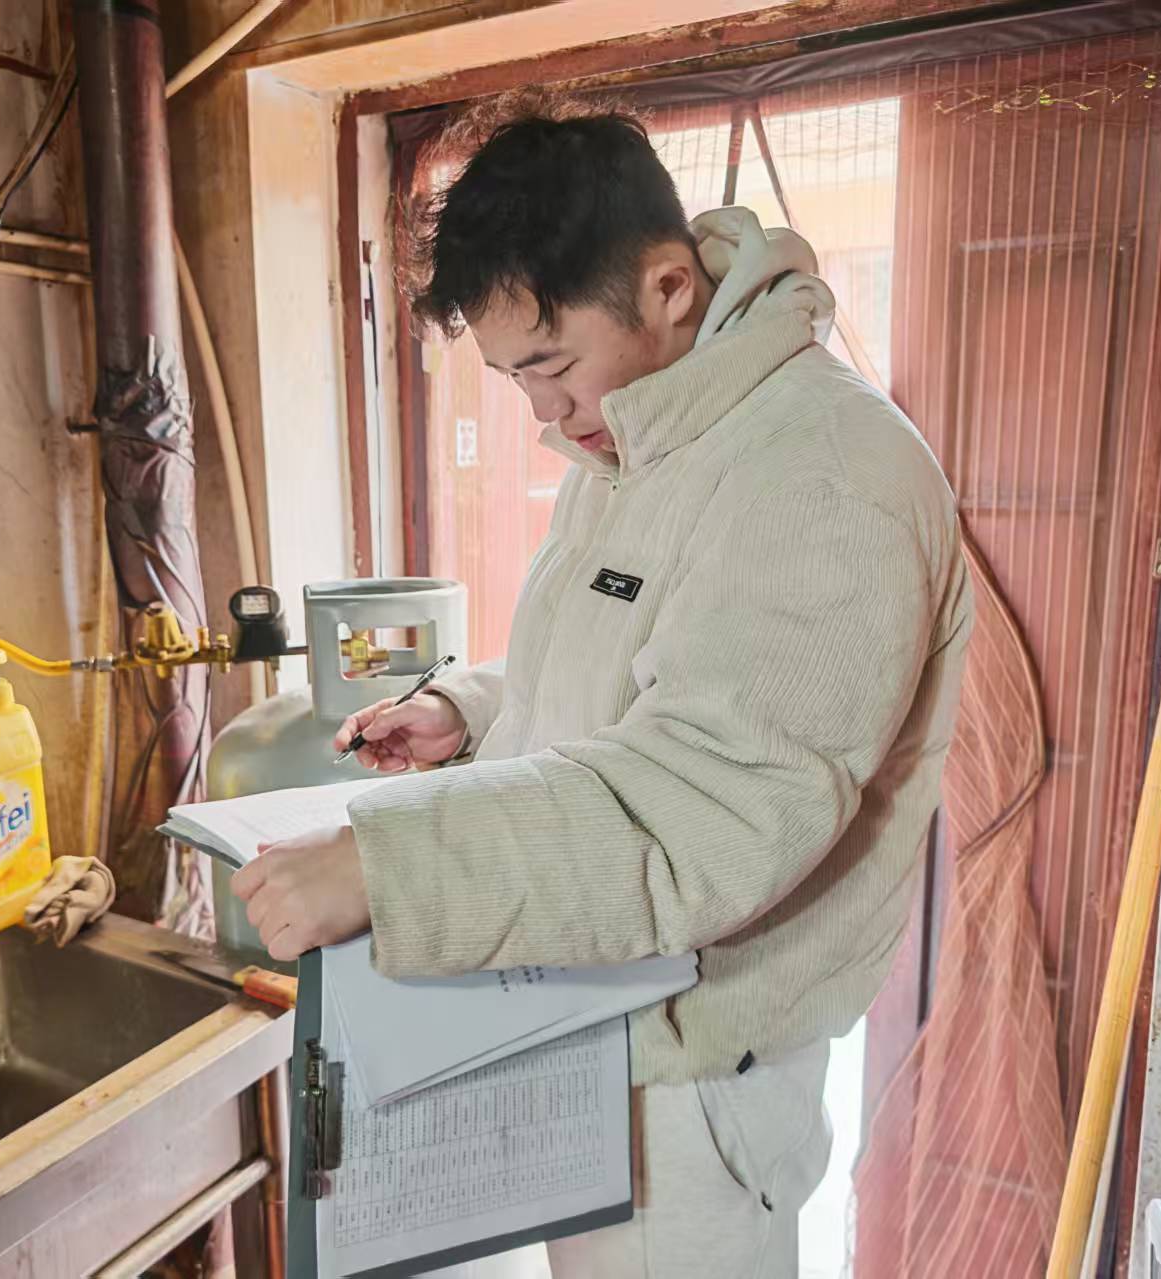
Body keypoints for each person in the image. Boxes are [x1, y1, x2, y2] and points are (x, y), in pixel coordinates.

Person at [232, 92, 972, 1277]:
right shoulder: (636, 437)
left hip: (697, 1079)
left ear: (669, 286)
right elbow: (622, 660)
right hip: (594, 1019)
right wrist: (468, 711)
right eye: (512, 378)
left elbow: (702, 809)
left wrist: (383, 865)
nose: (543, 411)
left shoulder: (825, 475)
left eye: (552, 366)